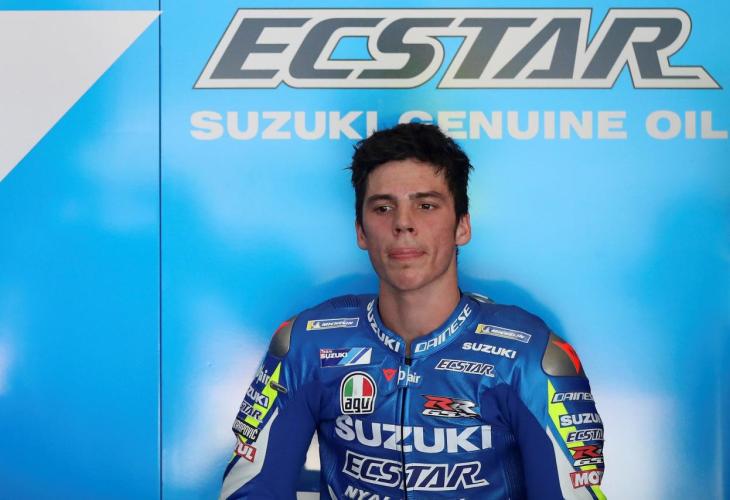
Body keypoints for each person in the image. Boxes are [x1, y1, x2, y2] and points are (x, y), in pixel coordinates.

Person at [220, 123, 606, 499]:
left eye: (425, 205)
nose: (403, 224)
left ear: (462, 226)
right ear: (361, 231)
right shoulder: (306, 344)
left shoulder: (530, 357)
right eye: (383, 207)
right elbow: (251, 489)